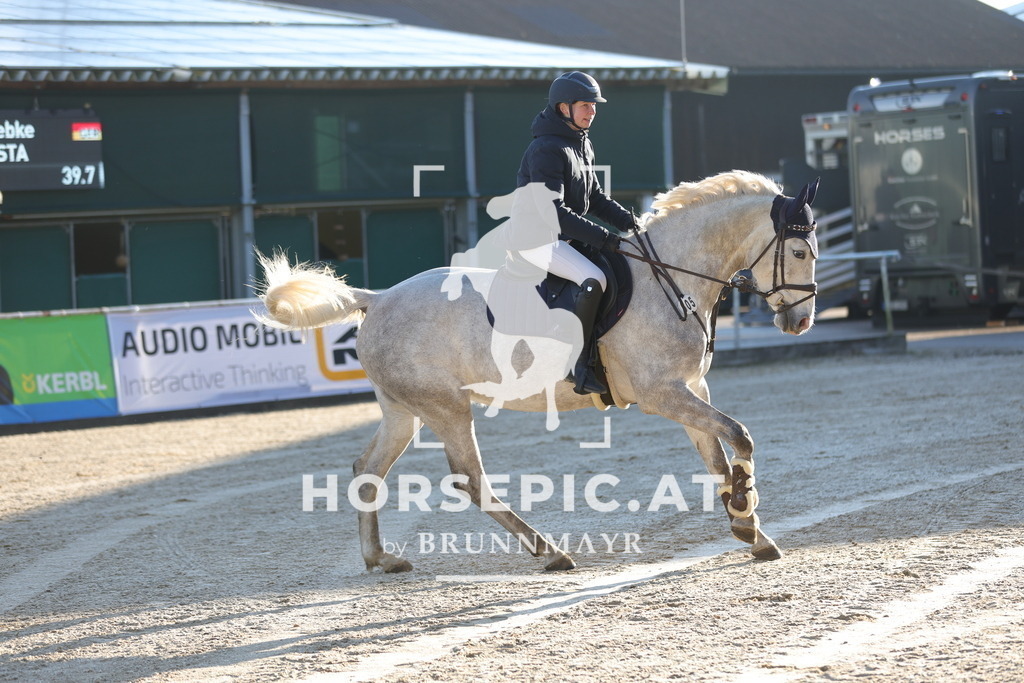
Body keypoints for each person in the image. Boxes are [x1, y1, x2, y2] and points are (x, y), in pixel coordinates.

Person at [514, 71, 638, 395]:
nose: (591, 111)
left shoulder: (581, 143)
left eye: (594, 106)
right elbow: (551, 211)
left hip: (565, 238)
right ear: (562, 108)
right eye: (585, 105)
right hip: (536, 239)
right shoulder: (546, 149)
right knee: (593, 279)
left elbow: (594, 198)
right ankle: (576, 365)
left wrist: (630, 223)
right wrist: (604, 237)